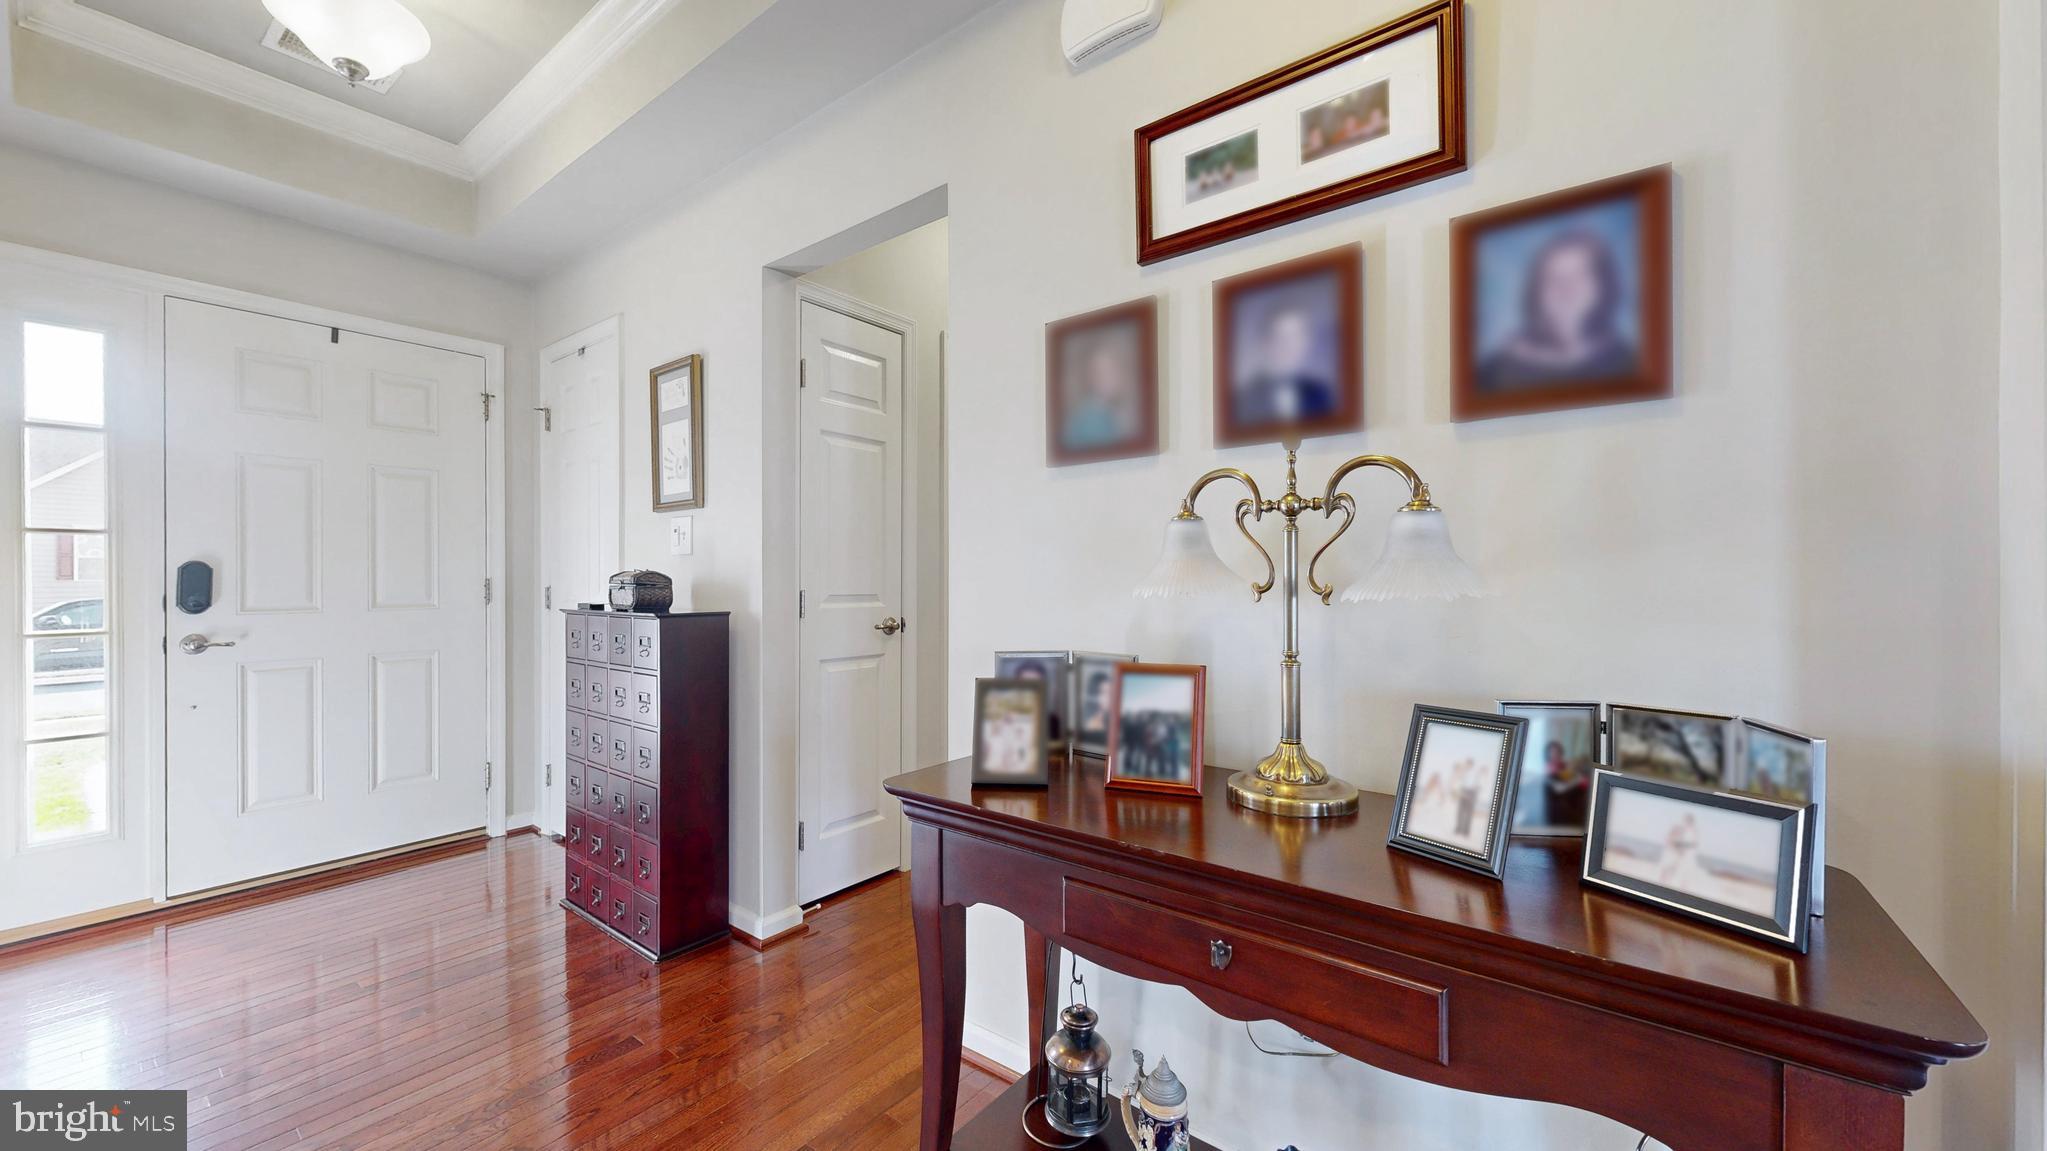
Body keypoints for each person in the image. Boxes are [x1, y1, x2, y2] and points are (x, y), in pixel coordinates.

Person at [1477, 226, 1638, 393]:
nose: (1566, 288)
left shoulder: (1629, 362)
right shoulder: (1494, 371)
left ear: (1604, 286)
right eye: (1552, 278)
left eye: (1580, 276)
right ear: (1535, 292)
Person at [1234, 305, 1335, 428]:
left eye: (1295, 337)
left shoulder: (1320, 394)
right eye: (1280, 337)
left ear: (1305, 342)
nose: (1288, 346)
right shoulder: (1244, 399)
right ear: (1266, 342)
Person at [1060, 335, 1138, 453]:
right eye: (1100, 373)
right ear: (1091, 378)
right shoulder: (1088, 416)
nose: (1107, 378)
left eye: (1111, 371)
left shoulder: (1115, 410)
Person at [1542, 739, 1590, 827]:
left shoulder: (1564, 765)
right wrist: (1577, 780)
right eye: (1552, 752)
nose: (1555, 755)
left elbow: (1577, 777)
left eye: (1557, 752)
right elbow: (1559, 789)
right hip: (1560, 812)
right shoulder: (1548, 770)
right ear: (1548, 754)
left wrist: (1575, 774)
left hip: (1575, 802)